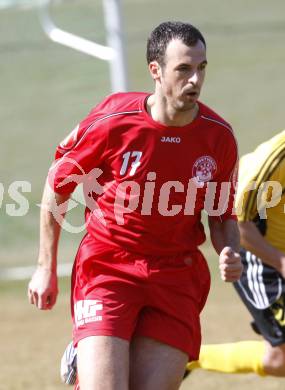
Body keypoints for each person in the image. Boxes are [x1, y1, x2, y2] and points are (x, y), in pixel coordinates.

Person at [28, 21, 242, 390]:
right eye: (184, 69)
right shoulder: (114, 121)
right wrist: (45, 267)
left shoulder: (217, 137)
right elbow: (56, 188)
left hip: (176, 275)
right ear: (156, 71)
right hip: (108, 266)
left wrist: (230, 251)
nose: (195, 79)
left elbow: (222, 217)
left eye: (201, 67)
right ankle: (90, 355)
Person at [186, 130, 285, 377]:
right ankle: (182, 356)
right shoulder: (275, 159)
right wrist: (282, 262)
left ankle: (183, 357)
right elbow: (238, 224)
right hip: (258, 252)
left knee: (278, 361)